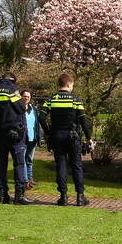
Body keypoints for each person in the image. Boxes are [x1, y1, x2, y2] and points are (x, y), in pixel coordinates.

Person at [41, 72, 93, 206]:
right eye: (72, 86)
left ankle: (63, 197)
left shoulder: (51, 99)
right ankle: (80, 197)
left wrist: (47, 133)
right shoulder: (76, 100)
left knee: (61, 166)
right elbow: (83, 121)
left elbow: (41, 117)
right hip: (73, 137)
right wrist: (88, 138)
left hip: (57, 136)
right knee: (76, 165)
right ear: (69, 84)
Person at [0, 71, 34, 205]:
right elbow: (21, 108)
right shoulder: (11, 90)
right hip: (13, 134)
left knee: (1, 165)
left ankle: (2, 195)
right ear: (12, 80)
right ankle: (19, 195)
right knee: (19, 164)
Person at [21, 90, 43, 189]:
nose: (27, 98)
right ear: (21, 97)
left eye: (28, 97)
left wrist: (38, 136)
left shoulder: (32, 108)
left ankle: (30, 179)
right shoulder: (19, 108)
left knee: (29, 160)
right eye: (25, 96)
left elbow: (36, 123)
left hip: (32, 138)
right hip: (23, 138)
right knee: (23, 160)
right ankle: (25, 182)